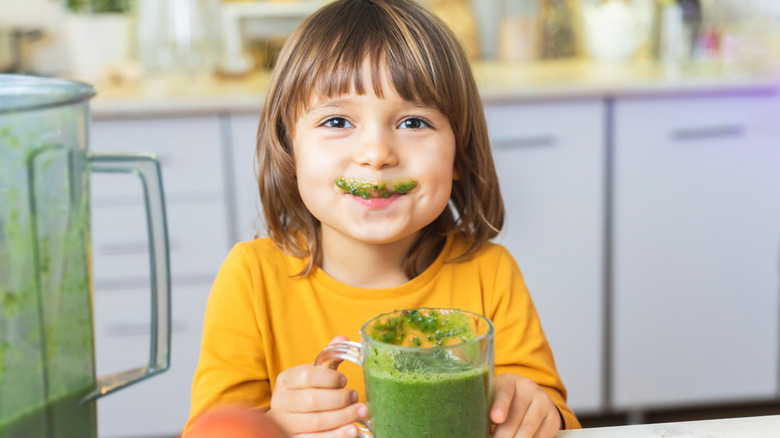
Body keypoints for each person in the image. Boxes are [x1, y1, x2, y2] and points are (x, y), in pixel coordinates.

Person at [185, 0, 581, 437]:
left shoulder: (490, 273)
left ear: (458, 154)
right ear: (289, 149)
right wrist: (275, 425)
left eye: (413, 122)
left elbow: (555, 416)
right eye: (337, 120)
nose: (376, 154)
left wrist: (532, 408)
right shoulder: (252, 278)